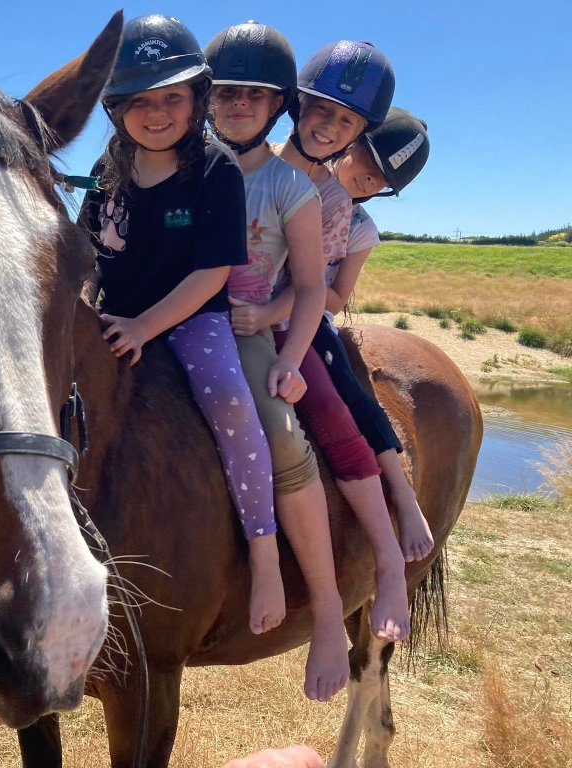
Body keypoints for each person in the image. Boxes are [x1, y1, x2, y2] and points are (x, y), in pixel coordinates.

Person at [77, 14, 287, 641]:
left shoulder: (215, 169)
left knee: (231, 403)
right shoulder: (108, 170)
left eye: (172, 97)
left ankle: (265, 553)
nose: (157, 113)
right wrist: (85, 307)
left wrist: (145, 326)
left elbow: (213, 272)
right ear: (116, 109)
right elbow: (88, 256)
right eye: (139, 101)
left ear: (197, 100)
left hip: (193, 320)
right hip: (116, 314)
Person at [229, 39, 411, 642]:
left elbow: (310, 285)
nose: (328, 128)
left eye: (346, 121)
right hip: (209, 312)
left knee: (331, 410)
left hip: (278, 320)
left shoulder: (332, 200)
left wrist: (267, 319)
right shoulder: (239, 160)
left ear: (359, 132)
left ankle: (384, 560)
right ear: (296, 106)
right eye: (321, 110)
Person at [204, 20, 349, 701]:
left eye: (255, 95)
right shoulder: (182, 164)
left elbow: (313, 287)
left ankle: (327, 608)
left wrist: (289, 358)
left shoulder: (290, 186)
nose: (238, 104)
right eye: (226, 91)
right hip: (163, 316)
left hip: (242, 329)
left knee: (284, 438)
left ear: (277, 107)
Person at [315, 107, 434, 561]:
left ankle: (402, 494)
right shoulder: (290, 180)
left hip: (306, 315)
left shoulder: (361, 229)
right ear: (350, 143)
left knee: (349, 391)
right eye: (370, 159)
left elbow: (336, 298)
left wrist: (295, 292)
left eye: (384, 179)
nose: (371, 178)